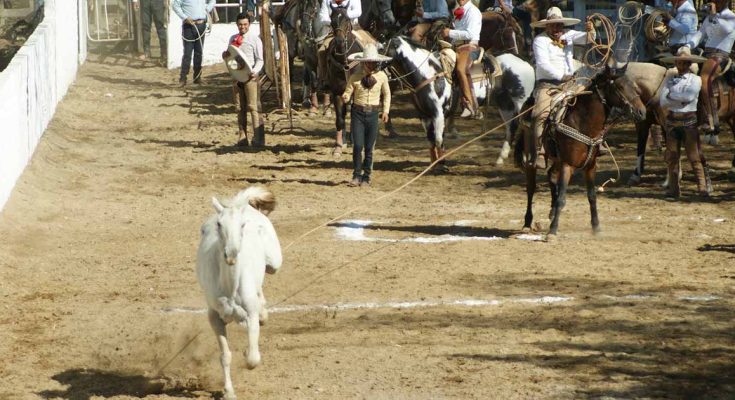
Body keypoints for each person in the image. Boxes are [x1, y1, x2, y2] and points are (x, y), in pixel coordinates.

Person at [530, 7, 594, 166]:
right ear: (547, 26)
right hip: (548, 85)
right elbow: (543, 64)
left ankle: (596, 141)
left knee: (592, 105)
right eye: (553, 25)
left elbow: (588, 39)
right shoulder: (540, 40)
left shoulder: (569, 35)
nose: (557, 28)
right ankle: (540, 151)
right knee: (541, 113)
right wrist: (561, 76)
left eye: (559, 25)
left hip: (571, 84)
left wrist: (590, 30)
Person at [659, 47, 710, 198]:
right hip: (673, 120)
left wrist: (671, 96)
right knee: (672, 157)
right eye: (679, 63)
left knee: (694, 156)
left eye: (684, 63)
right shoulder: (669, 79)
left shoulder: (696, 79)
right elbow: (662, 101)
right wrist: (676, 98)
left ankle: (702, 188)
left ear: (689, 64)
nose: (681, 66)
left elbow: (688, 97)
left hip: (688, 121)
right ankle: (674, 190)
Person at [341, 43, 392, 187]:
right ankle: (356, 175)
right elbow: (348, 92)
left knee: (369, 147)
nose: (371, 64)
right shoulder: (355, 77)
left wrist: (386, 111)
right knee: (357, 145)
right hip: (357, 113)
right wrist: (345, 97)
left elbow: (387, 94)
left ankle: (366, 176)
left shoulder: (382, 77)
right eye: (369, 62)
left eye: (373, 62)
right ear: (364, 63)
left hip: (373, 114)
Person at [688, 0, 735, 144]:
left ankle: (712, 120)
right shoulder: (709, 18)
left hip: (720, 55)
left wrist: (714, 15)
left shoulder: (731, 16)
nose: (712, 3)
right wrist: (687, 45)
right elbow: (699, 34)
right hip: (706, 54)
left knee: (704, 78)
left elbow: (726, 30)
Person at [223, 13, 265, 147]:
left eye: (245, 24)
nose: (243, 27)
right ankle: (242, 137)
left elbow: (260, 59)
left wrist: (255, 71)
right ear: (237, 25)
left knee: (253, 107)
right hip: (237, 77)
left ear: (249, 25)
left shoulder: (255, 39)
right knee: (239, 108)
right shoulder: (232, 38)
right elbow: (231, 58)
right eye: (240, 24)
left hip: (250, 77)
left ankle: (258, 138)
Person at [441, 0, 482, 118]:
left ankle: (469, 105)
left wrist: (450, 32)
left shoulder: (474, 11)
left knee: (460, 69)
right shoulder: (458, 10)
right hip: (457, 46)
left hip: (470, 46)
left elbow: (470, 34)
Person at [316, 0, 362, 89]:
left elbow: (358, 11)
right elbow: (322, 16)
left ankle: (377, 71)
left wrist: (344, 15)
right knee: (321, 50)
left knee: (368, 44)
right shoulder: (327, 0)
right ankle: (324, 77)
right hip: (335, 29)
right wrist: (335, 19)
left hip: (354, 27)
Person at [172, 0, 216, 86]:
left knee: (199, 52)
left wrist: (207, 9)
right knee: (187, 53)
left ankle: (197, 77)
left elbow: (212, 1)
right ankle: (183, 78)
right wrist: (185, 17)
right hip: (189, 26)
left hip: (201, 25)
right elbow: (175, 6)